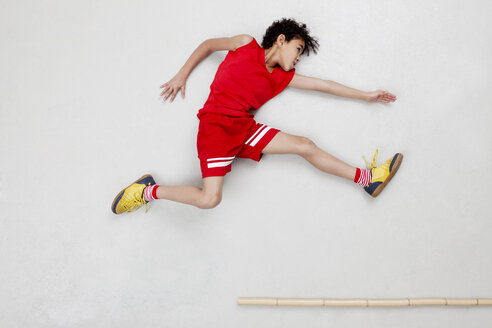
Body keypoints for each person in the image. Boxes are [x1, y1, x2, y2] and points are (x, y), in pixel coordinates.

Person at [111, 18, 403, 214]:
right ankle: (147, 191)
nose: (298, 58)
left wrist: (366, 95)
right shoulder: (244, 44)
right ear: (280, 40)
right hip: (215, 127)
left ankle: (367, 179)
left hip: (243, 127)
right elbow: (209, 45)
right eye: (298, 49)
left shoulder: (282, 78)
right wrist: (181, 75)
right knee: (210, 199)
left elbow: (323, 85)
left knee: (305, 145)